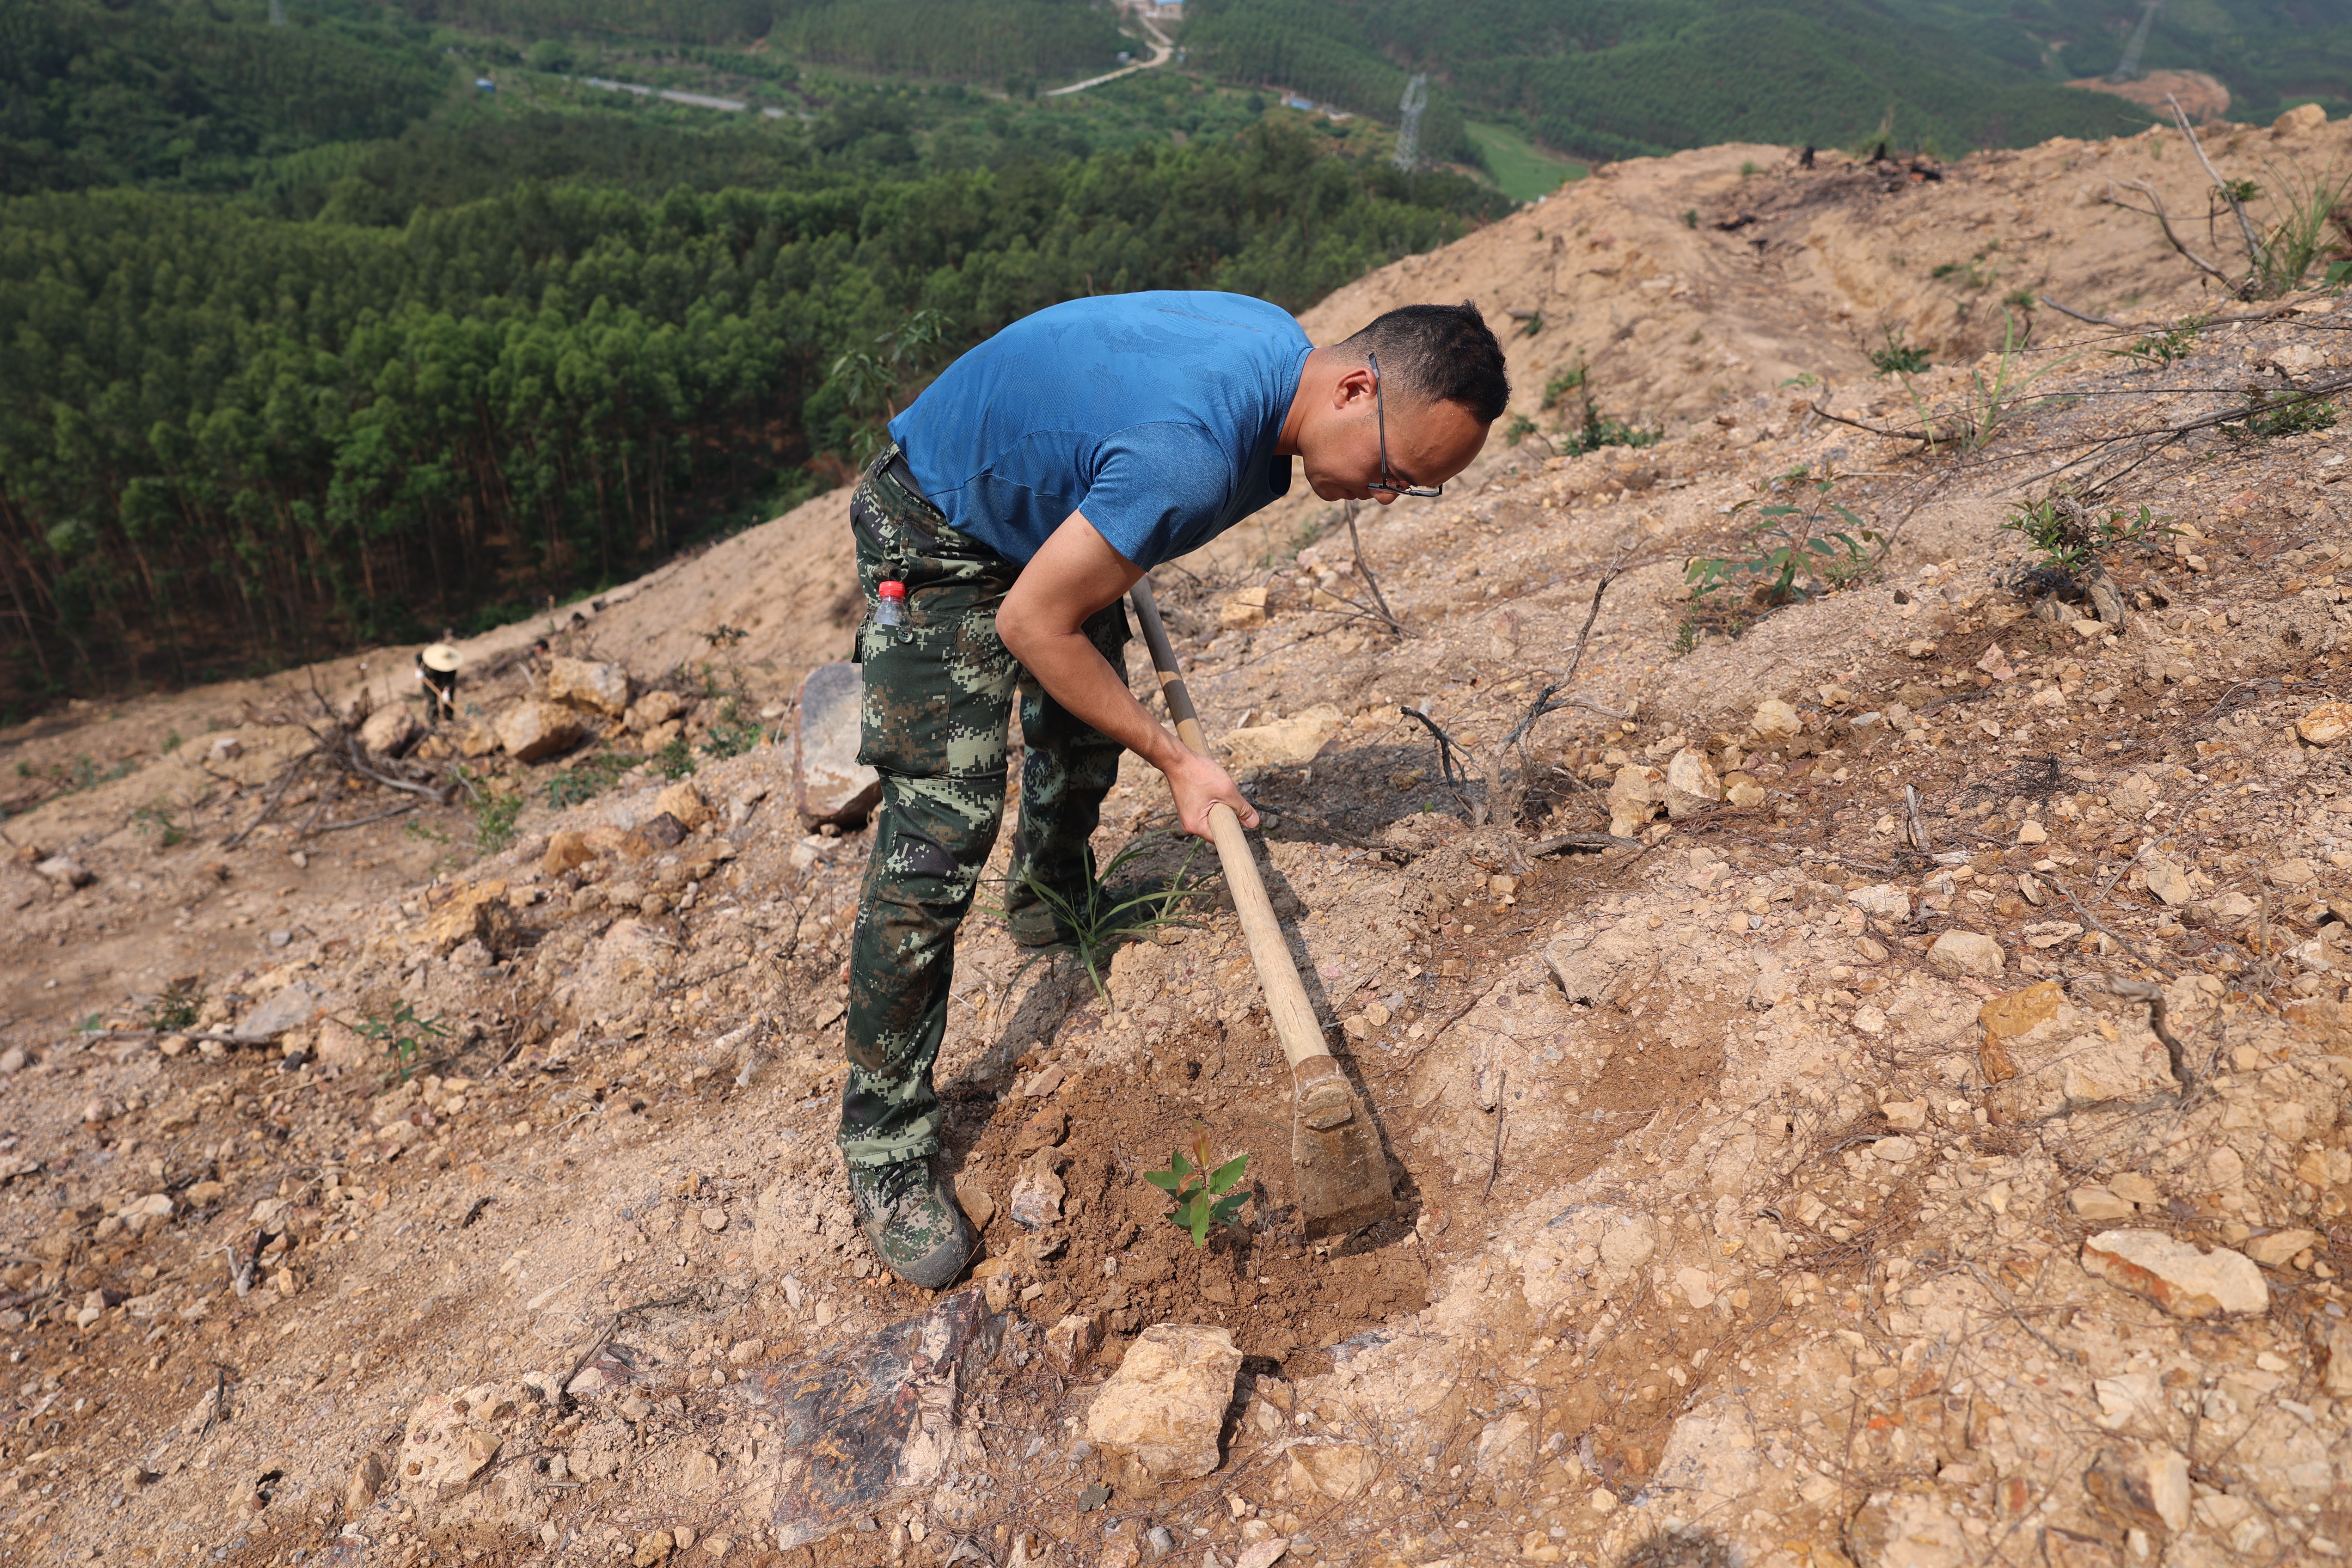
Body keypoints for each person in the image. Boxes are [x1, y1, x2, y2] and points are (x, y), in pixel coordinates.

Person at [838, 292, 1507, 1287]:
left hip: (1041, 516)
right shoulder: (1186, 462)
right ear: (1352, 387)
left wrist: (1092, 499)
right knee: (941, 836)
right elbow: (1030, 625)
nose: (1380, 499)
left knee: (1080, 718)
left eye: (1408, 491)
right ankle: (883, 1142)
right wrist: (1176, 756)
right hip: (936, 525)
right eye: (1390, 474)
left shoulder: (1277, 347)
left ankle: (1050, 901)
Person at [416, 643, 461, 723]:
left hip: (444, 683)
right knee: (432, 701)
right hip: (430, 681)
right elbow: (417, 658)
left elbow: (451, 680)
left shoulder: (452, 668)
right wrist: (419, 669)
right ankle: (433, 721)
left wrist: (447, 690)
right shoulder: (428, 656)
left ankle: (449, 720)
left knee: (448, 700)